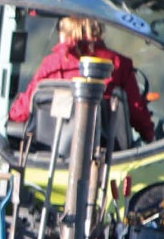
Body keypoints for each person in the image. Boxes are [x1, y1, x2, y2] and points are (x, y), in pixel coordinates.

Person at [9, 15, 155, 143]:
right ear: (99, 30)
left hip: (50, 153)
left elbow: (21, 111)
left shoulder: (51, 65)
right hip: (108, 157)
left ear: (65, 33)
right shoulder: (119, 64)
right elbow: (138, 114)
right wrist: (150, 136)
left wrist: (12, 113)